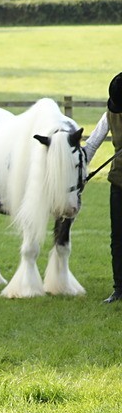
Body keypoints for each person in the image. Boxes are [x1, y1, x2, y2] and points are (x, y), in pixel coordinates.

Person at [84, 71, 122, 304]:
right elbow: (92, 144)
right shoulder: (110, 114)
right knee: (117, 237)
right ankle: (119, 289)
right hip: (118, 182)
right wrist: (78, 169)